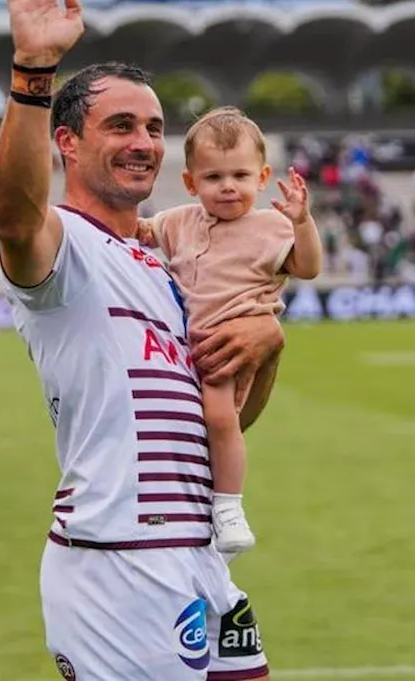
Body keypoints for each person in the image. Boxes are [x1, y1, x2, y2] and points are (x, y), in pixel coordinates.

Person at [0, 0, 284, 681]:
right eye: (120, 126)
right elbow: (16, 215)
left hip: (198, 557)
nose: (144, 143)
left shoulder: (168, 265)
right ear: (67, 141)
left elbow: (224, 420)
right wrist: (33, 72)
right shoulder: (65, 252)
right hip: (119, 561)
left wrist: (267, 345)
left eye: (154, 128)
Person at [137, 107, 321, 555]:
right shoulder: (179, 221)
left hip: (228, 340)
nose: (228, 187)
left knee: (220, 418)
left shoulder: (271, 226)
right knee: (192, 423)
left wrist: (302, 220)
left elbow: (309, 268)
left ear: (262, 178)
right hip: (183, 345)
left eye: (240, 175)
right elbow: (142, 232)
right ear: (190, 183)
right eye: (214, 177)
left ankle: (229, 506)